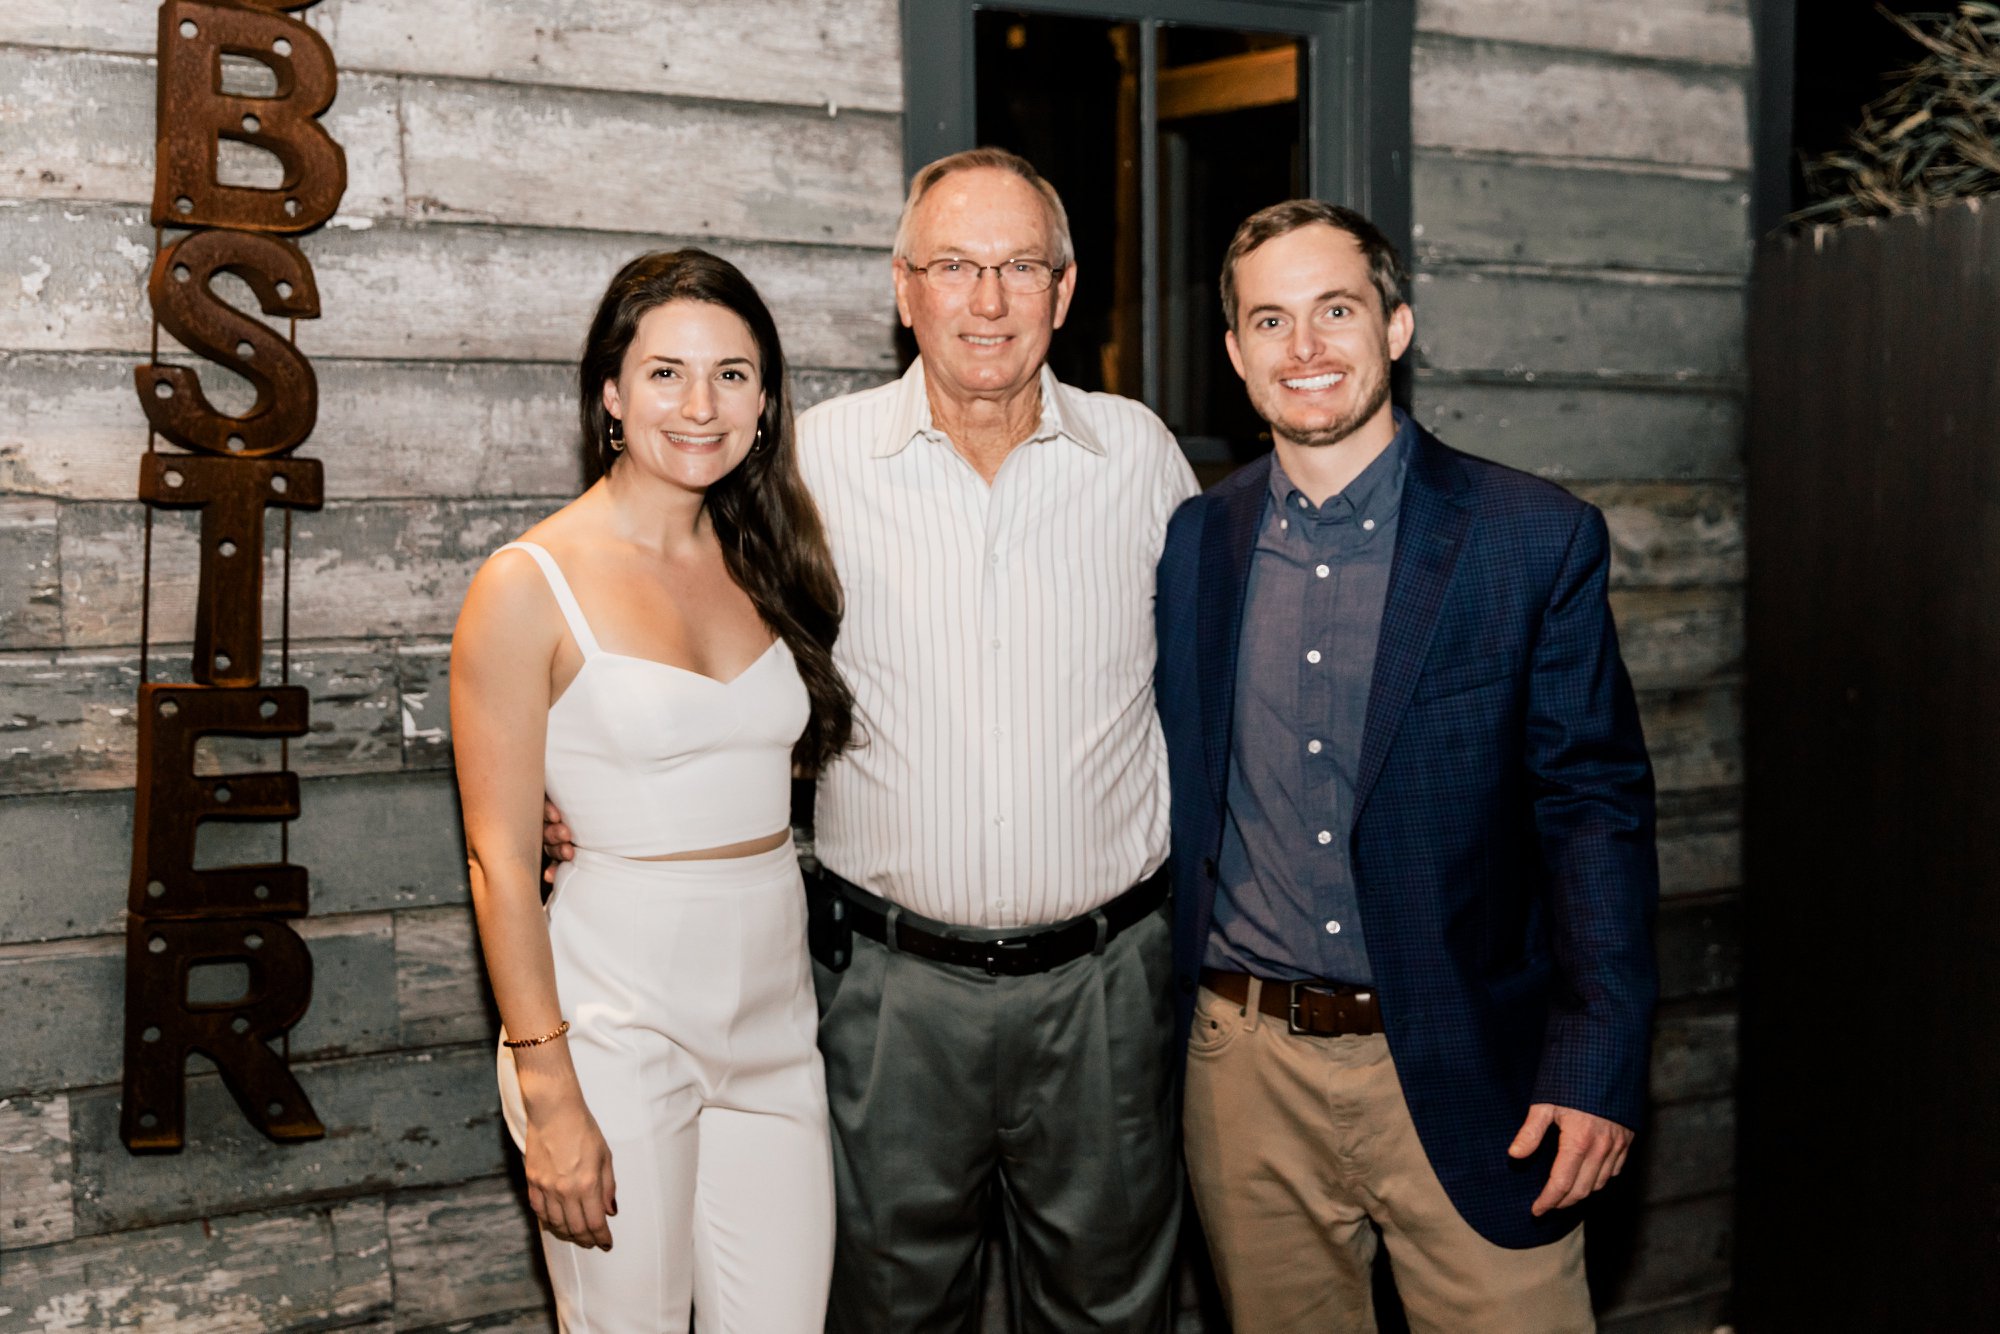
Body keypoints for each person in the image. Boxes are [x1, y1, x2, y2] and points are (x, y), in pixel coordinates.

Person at [546, 148, 1198, 1331]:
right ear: (903, 288)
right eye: (953, 265)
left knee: (1114, 1310)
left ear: (1064, 289)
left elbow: (1210, 682)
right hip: (888, 993)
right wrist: (581, 787)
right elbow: (658, 613)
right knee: (885, 1307)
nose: (985, 300)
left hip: (1104, 987)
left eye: (1017, 267)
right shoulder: (805, 461)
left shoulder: (1142, 459)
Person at [1154, 200, 1659, 1333]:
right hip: (1245, 1072)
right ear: (1234, 355)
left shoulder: (1530, 537)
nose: (1305, 348)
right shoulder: (1199, 543)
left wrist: (1595, 1057)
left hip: (1475, 1061)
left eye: (1334, 309)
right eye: (1269, 320)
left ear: (1394, 324)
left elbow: (1593, 812)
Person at [452, 249, 853, 1333]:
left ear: (766, 404)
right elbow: (496, 856)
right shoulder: (526, 583)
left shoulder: (767, 557)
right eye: (666, 371)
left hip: (775, 1020)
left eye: (733, 374)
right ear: (610, 393)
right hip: (612, 1021)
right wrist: (548, 1088)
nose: (701, 403)